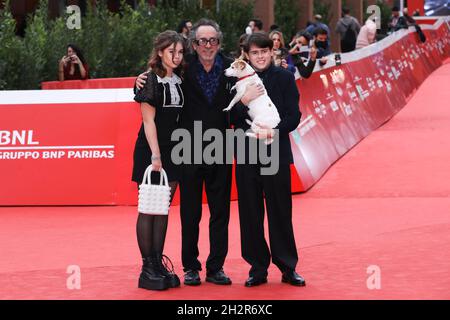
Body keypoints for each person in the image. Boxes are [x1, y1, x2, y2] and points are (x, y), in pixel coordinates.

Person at [136, 19, 264, 287]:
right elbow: (155, 82)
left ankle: (215, 267)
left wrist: (279, 67)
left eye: (213, 40)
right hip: (187, 148)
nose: (208, 46)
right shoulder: (183, 66)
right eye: (202, 41)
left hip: (220, 146)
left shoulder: (234, 68)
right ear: (194, 43)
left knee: (220, 212)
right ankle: (190, 267)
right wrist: (139, 80)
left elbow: (257, 85)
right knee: (189, 212)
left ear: (219, 42)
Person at [230, 32, 305, 287]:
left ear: (271, 52)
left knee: (280, 211)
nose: (260, 57)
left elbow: (294, 115)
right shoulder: (239, 78)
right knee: (250, 212)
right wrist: (244, 101)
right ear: (246, 56)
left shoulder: (284, 77)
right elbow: (230, 117)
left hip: (277, 152)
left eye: (264, 52)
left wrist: (274, 131)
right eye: (255, 53)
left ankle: (287, 266)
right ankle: (257, 268)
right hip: (248, 152)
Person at [132, 30, 185, 291]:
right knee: (148, 208)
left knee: (162, 208)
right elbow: (148, 120)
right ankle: (147, 268)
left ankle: (157, 262)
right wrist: (155, 155)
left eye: (180, 52)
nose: (176, 56)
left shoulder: (180, 79)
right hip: (151, 151)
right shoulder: (149, 80)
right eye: (171, 51)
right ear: (161, 52)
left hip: (173, 150)